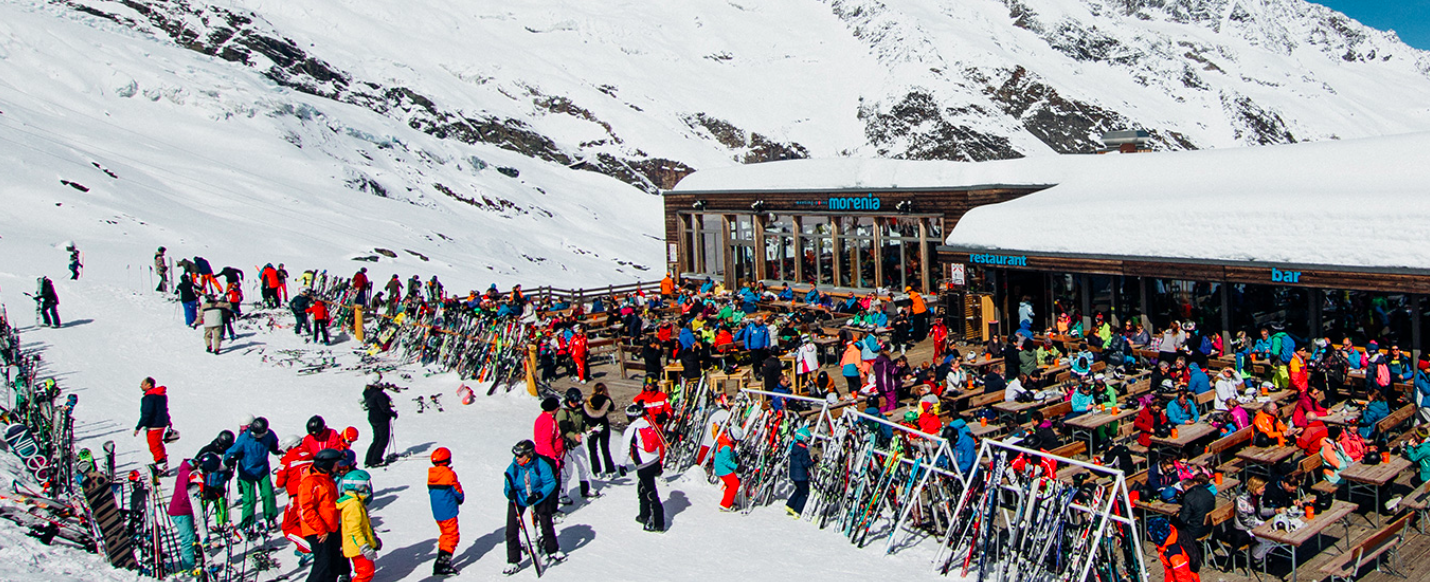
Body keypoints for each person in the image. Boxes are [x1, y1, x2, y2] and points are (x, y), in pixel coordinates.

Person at [503, 440, 562, 575]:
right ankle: (513, 560)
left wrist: (538, 495)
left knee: (546, 522)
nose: (517, 458)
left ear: (529, 454)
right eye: (516, 455)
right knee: (511, 529)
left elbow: (550, 482)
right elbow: (507, 485)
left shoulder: (541, 465)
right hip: (519, 499)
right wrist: (509, 493)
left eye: (520, 455)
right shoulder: (512, 468)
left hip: (537, 497)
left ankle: (552, 550)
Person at [224, 417, 281, 534]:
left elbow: (273, 444)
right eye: (256, 434)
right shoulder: (245, 438)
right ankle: (247, 522)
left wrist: (276, 451)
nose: (258, 436)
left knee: (268, 494)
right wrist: (229, 460)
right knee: (249, 499)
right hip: (247, 472)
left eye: (260, 434)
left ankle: (270, 517)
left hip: (262, 470)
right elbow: (230, 452)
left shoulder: (268, 435)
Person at [619, 403, 666, 532]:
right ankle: (644, 515)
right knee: (642, 489)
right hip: (654, 460)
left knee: (652, 494)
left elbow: (625, 448)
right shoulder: (648, 424)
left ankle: (658, 524)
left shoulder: (632, 429)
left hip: (644, 466)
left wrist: (621, 465)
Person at [299, 448, 343, 582]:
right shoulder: (311, 482)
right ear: (327, 464)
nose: (338, 466)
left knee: (334, 563)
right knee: (323, 564)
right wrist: (321, 530)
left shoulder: (327, 478)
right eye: (336, 463)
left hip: (331, 528)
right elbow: (307, 509)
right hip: (317, 531)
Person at [336, 469, 380, 582]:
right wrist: (364, 547)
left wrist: (372, 541)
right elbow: (354, 529)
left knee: (366, 571)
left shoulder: (357, 502)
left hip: (359, 545)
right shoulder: (353, 505)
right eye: (365, 487)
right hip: (357, 547)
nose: (367, 490)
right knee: (365, 572)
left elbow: (365, 526)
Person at [427, 447, 464, 576]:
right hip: (448, 510)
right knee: (452, 536)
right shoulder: (449, 474)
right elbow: (457, 490)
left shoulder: (431, 474)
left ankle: (441, 560)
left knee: (445, 535)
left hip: (437, 512)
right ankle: (442, 563)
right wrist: (460, 498)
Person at [274, 438, 314, 556]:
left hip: (297, 497)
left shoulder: (288, 459)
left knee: (288, 527)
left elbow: (279, 483)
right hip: (315, 494)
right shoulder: (311, 453)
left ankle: (310, 548)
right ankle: (303, 547)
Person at [555, 388, 596, 503]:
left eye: (577, 401)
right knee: (567, 471)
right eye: (573, 401)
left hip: (577, 444)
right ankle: (562, 495)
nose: (575, 403)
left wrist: (587, 429)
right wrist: (573, 436)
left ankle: (586, 489)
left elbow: (580, 424)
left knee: (584, 466)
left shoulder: (579, 410)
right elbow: (563, 429)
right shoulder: (563, 412)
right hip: (566, 445)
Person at [1227, 475, 1276, 565]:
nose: (1264, 489)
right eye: (1262, 488)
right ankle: (1256, 557)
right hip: (1243, 527)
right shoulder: (1242, 499)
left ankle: (1262, 555)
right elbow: (1244, 519)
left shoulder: (1258, 496)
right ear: (1255, 488)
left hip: (1255, 522)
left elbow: (1261, 511)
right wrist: (1259, 528)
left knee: (1274, 535)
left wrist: (1274, 511)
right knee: (1269, 539)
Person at [168, 458, 200, 575]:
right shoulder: (185, 474)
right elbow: (184, 493)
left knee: (191, 537)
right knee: (188, 538)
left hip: (186, 510)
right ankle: (188, 567)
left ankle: (191, 561)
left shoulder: (188, 473)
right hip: (180, 511)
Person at [133, 377, 170, 472]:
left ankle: (161, 465)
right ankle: (162, 463)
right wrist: (168, 421)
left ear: (148, 385)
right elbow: (164, 409)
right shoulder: (161, 395)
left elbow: (147, 413)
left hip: (154, 425)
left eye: (143, 384)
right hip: (161, 423)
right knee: (158, 444)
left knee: (154, 445)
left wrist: (139, 426)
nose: (141, 386)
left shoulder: (148, 397)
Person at [1148, 517, 1200, 582]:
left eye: (1150, 532)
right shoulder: (1174, 536)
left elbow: (1184, 578)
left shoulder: (1174, 554)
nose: (1148, 533)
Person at [361, 378, 396, 468]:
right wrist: (393, 413)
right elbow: (384, 408)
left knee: (376, 439)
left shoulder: (368, 393)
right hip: (381, 418)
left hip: (373, 417)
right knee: (383, 439)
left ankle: (369, 460)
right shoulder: (379, 394)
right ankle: (376, 460)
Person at [584, 383, 617, 479]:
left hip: (592, 426)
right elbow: (612, 408)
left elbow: (584, 415)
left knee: (593, 449)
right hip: (604, 425)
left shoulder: (588, 400)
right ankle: (610, 470)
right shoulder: (606, 400)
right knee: (605, 448)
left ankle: (596, 470)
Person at [786, 427, 814, 518]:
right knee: (805, 493)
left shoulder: (794, 447)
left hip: (793, 474)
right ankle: (797, 511)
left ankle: (789, 505)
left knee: (799, 489)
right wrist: (813, 461)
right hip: (801, 476)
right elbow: (805, 463)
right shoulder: (804, 451)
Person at [713, 426, 742, 511]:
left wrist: (736, 456)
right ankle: (725, 505)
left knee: (732, 484)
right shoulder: (726, 446)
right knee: (734, 483)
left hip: (723, 468)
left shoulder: (727, 442)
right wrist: (737, 467)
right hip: (722, 469)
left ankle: (729, 501)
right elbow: (727, 462)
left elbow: (731, 452)